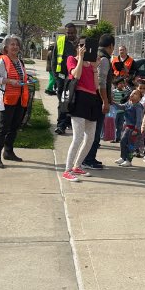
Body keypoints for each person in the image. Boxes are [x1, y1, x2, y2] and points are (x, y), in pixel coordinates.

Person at [0, 35, 31, 168]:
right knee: (3, 128)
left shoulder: (19, 61)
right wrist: (9, 81)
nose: (15, 47)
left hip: (19, 99)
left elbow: (21, 77)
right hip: (6, 99)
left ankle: (8, 151)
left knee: (14, 126)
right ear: (6, 47)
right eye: (12, 44)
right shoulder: (2, 61)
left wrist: (25, 81)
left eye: (17, 44)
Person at [61, 36, 100, 183]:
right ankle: (67, 170)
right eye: (81, 45)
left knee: (90, 137)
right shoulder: (72, 59)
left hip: (91, 100)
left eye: (86, 45)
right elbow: (75, 75)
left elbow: (96, 86)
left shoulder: (91, 64)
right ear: (77, 47)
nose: (84, 47)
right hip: (79, 99)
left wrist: (95, 68)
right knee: (77, 138)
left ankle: (77, 165)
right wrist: (81, 58)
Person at [79, 33, 115, 170]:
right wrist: (105, 101)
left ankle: (88, 158)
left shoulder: (93, 54)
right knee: (94, 131)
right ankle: (88, 159)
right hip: (97, 100)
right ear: (111, 45)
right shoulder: (104, 59)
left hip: (89, 97)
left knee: (90, 131)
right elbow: (101, 83)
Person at [53, 24, 78, 135]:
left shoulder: (80, 43)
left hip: (75, 78)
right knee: (63, 101)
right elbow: (54, 60)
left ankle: (69, 122)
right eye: (68, 33)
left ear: (76, 32)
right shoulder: (60, 42)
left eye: (72, 33)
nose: (70, 35)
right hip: (62, 78)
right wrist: (56, 77)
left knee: (73, 102)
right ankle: (61, 125)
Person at [115, 88, 144, 167]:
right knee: (123, 142)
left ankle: (129, 160)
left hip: (133, 129)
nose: (132, 94)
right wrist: (113, 103)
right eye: (132, 93)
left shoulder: (138, 106)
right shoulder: (128, 103)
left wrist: (136, 129)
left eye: (135, 94)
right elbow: (121, 107)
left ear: (139, 98)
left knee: (131, 145)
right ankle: (123, 157)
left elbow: (139, 119)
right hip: (127, 128)